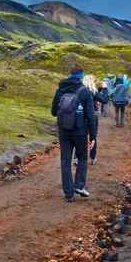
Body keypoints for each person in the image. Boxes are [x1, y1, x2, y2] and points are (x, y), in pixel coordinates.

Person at [51, 65, 97, 202]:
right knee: (82, 158)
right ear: (81, 76)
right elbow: (90, 116)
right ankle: (79, 186)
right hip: (80, 132)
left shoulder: (60, 90)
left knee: (65, 161)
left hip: (64, 131)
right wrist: (93, 136)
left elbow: (53, 111)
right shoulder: (85, 92)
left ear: (70, 75)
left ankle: (68, 194)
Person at [75, 75, 107, 165]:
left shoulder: (80, 90)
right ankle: (92, 157)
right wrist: (105, 88)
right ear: (92, 82)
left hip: (80, 115)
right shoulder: (93, 91)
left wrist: (99, 89)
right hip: (92, 116)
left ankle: (77, 157)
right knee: (93, 137)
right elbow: (104, 100)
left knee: (80, 136)